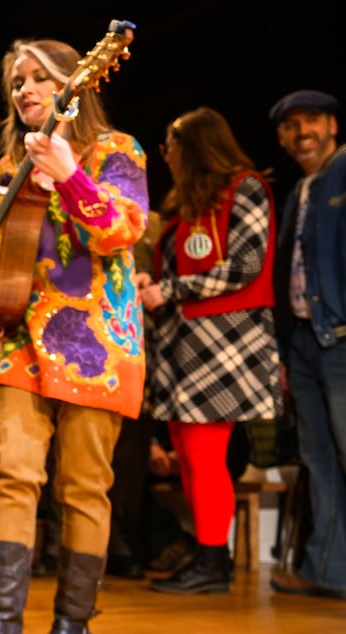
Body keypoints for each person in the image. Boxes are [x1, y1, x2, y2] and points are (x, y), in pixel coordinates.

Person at [0, 37, 149, 634]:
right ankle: (2, 623)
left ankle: (73, 625)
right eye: (17, 81)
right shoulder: (4, 174)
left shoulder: (118, 150)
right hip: (21, 341)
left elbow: (123, 230)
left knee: (84, 487)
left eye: (40, 78)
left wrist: (71, 175)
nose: (26, 89)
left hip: (97, 343)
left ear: (76, 84)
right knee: (11, 475)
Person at [134, 107, 281, 595]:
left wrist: (169, 290)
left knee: (204, 453)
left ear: (193, 145)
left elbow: (246, 263)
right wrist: (151, 284)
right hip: (183, 343)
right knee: (189, 454)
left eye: (169, 146)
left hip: (225, 341)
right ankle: (208, 553)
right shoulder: (186, 206)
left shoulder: (245, 188)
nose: (166, 156)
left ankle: (214, 560)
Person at [267, 89, 346, 600]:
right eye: (292, 125)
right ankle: (328, 570)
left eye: (312, 120)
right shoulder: (298, 191)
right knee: (320, 459)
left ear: (333, 125)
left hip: (342, 338)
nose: (303, 132)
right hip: (306, 342)